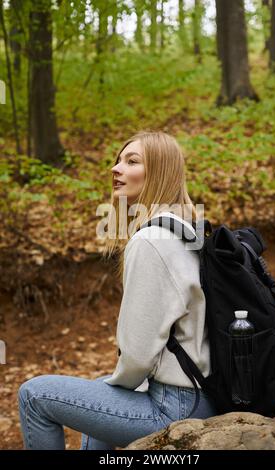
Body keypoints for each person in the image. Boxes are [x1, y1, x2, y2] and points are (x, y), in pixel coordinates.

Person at [18, 130, 217, 450]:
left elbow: (137, 357)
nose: (115, 168)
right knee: (101, 393)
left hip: (175, 406)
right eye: (117, 160)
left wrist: (118, 386)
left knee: (34, 395)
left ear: (159, 172)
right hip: (207, 395)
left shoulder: (151, 240)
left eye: (131, 161)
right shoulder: (189, 228)